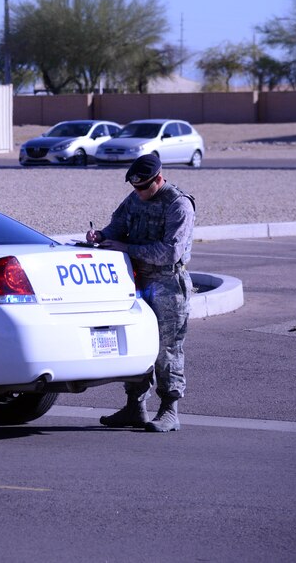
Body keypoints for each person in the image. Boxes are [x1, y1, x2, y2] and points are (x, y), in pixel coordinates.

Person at [86, 154, 195, 433]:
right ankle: (135, 407)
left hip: (167, 285)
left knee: (166, 348)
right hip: (135, 281)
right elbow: (117, 227)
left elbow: (171, 251)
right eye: (135, 187)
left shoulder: (178, 204)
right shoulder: (134, 199)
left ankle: (170, 410)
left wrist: (126, 248)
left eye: (144, 187)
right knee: (135, 342)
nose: (139, 192)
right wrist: (99, 236)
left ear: (159, 179)